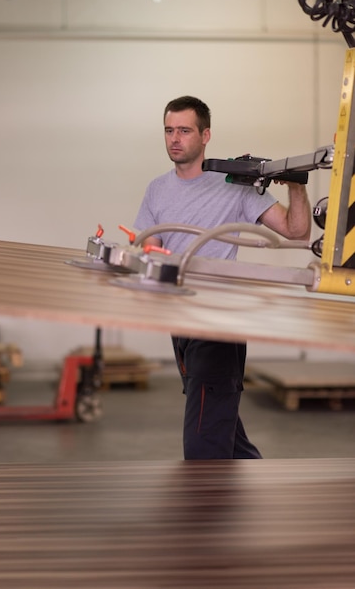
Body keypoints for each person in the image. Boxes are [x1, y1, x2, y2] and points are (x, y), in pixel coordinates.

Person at [133, 95, 311, 460]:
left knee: (203, 441)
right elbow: (149, 249)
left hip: (218, 323)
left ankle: (203, 513)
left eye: (184, 130)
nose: (174, 139)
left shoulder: (234, 184)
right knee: (223, 429)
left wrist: (295, 183)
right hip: (179, 321)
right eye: (169, 130)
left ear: (206, 135)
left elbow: (297, 231)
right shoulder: (156, 189)